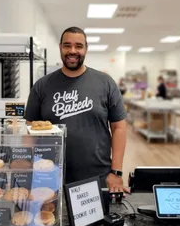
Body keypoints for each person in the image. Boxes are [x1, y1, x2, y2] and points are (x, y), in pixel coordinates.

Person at [25, 27, 129, 193]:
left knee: (98, 220)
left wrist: (116, 172)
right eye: (67, 45)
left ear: (86, 49)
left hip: (97, 176)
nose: (72, 51)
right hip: (50, 175)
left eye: (78, 46)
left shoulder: (105, 83)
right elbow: (29, 131)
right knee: (49, 218)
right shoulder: (42, 86)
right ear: (60, 48)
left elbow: (119, 127)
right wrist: (29, 169)